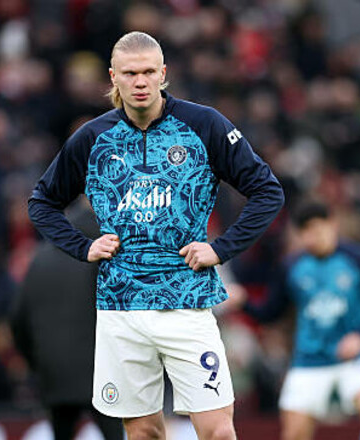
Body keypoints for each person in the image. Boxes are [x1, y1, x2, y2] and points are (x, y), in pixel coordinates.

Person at [28, 31, 284, 440]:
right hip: (121, 308)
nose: (140, 81)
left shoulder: (204, 125)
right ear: (113, 77)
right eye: (130, 73)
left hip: (187, 302)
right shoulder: (93, 138)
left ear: (163, 73)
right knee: (144, 432)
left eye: (148, 72)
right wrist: (83, 246)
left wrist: (221, 249)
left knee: (218, 431)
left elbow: (267, 191)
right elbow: (42, 202)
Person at [237, 202, 360, 440]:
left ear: (333, 225)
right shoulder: (291, 267)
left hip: (356, 358)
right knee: (294, 434)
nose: (313, 237)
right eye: (306, 232)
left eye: (317, 229)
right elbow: (271, 312)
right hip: (310, 360)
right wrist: (245, 302)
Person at [11, 206, 124, 440]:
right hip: (102, 372)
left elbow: (17, 321)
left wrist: (37, 363)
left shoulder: (39, 258)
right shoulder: (106, 254)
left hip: (54, 374)